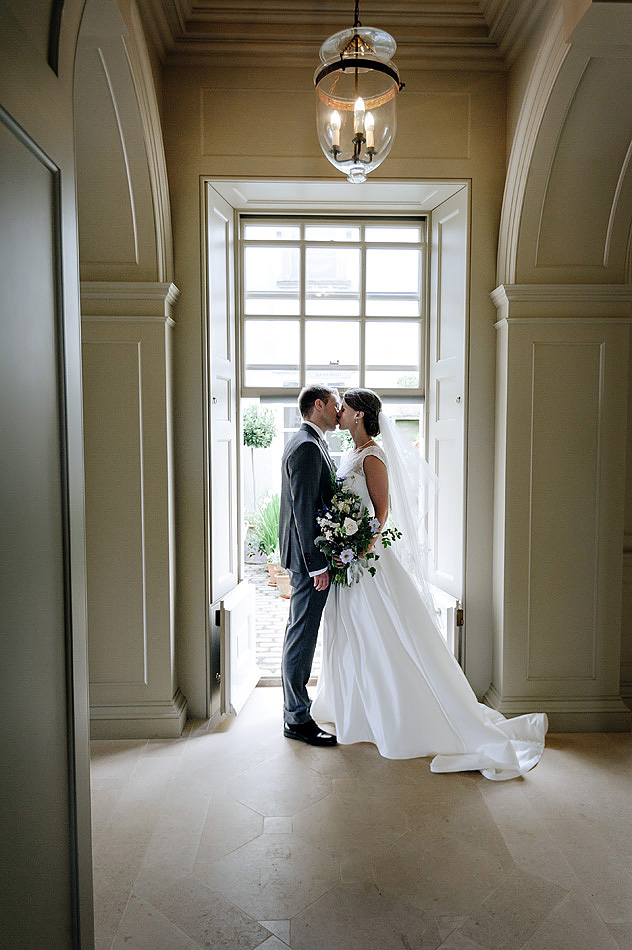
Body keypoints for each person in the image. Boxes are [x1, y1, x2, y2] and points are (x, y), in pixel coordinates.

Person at [311, 388, 548, 780]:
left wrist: (353, 550)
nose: (339, 410)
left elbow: (381, 515)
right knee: (354, 635)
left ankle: (408, 715)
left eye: (346, 407)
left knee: (383, 635)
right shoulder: (349, 454)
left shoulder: (373, 455)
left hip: (367, 565)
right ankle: (361, 711)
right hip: (348, 566)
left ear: (359, 415)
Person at [279, 384, 339, 747]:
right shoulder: (305, 446)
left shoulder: (311, 441)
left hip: (304, 559)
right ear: (319, 405)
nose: (338, 410)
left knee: (297, 633)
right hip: (306, 562)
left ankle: (294, 711)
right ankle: (297, 719)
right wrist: (317, 565)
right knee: (302, 638)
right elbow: (303, 512)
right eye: (334, 404)